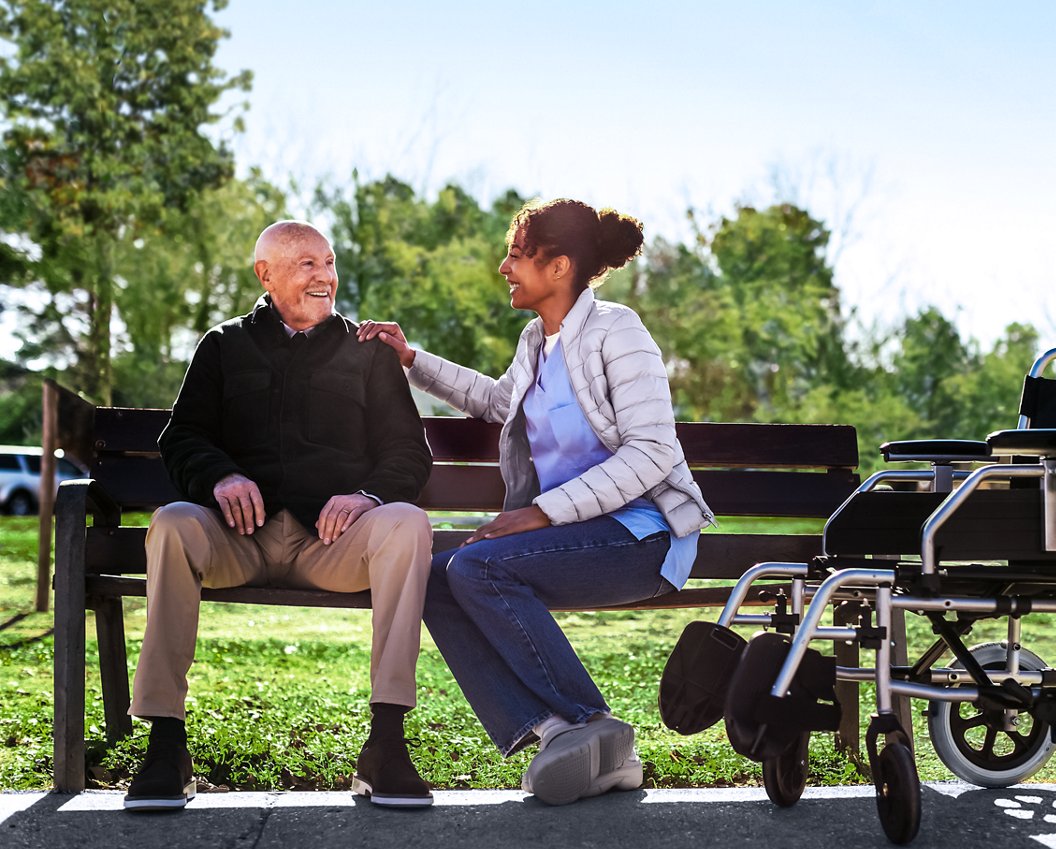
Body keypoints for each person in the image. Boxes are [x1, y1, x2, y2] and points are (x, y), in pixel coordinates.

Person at [357, 198, 715, 806]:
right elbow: (502, 404)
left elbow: (652, 451)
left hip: (644, 535)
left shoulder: (618, 331)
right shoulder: (536, 340)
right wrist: (411, 360)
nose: (505, 267)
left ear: (560, 266)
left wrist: (540, 513)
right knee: (435, 573)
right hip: (568, 540)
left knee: (480, 563)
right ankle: (556, 733)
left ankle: (597, 728)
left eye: (518, 255)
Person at [123, 221, 436, 811]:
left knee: (408, 523)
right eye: (306, 265)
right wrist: (221, 475)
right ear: (265, 275)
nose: (325, 278)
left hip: (332, 546)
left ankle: (387, 745)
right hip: (236, 542)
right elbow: (183, 435)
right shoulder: (222, 345)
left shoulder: (367, 353)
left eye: (329, 262)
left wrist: (367, 494)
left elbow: (407, 454)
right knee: (171, 523)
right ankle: (165, 745)